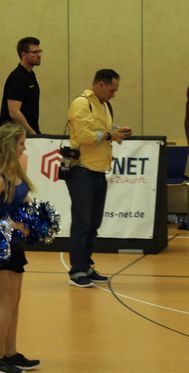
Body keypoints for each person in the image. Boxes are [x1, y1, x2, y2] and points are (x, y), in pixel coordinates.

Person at [0, 123, 41, 373]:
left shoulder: (17, 172)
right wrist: (14, 225)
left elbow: (23, 199)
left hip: (15, 244)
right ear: (10, 145)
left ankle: (11, 352)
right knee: (5, 302)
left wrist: (35, 218)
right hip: (0, 245)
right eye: (21, 143)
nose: (24, 148)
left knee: (14, 301)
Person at [65, 69, 132, 287]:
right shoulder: (82, 103)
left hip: (99, 170)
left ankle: (85, 265)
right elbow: (85, 136)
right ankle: (76, 271)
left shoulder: (105, 105)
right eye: (112, 90)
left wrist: (116, 131)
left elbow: (101, 130)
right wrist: (110, 134)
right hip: (82, 170)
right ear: (101, 85)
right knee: (82, 222)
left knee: (94, 222)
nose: (114, 94)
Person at [0, 37, 42, 135]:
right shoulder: (17, 78)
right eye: (35, 52)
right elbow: (14, 112)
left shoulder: (31, 75)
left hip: (28, 134)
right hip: (13, 137)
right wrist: (32, 133)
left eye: (40, 52)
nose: (39, 55)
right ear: (24, 55)